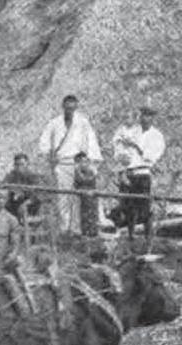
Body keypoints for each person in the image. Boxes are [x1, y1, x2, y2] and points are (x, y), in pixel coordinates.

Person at [37, 95, 102, 234]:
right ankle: (64, 228)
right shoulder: (54, 123)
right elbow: (44, 142)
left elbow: (91, 142)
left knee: (79, 198)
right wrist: (49, 155)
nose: (70, 111)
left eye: (72, 108)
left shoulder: (83, 123)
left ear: (76, 108)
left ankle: (77, 228)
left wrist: (91, 163)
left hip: (79, 163)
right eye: (67, 108)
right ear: (63, 107)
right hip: (62, 163)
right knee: (63, 197)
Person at [110, 106, 167, 240]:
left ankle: (148, 237)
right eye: (142, 115)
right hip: (129, 172)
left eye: (148, 116)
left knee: (144, 206)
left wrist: (136, 146)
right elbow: (119, 145)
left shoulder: (157, 136)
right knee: (128, 206)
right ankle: (131, 235)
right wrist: (120, 156)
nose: (145, 118)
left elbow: (151, 157)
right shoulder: (132, 131)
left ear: (152, 118)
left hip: (143, 172)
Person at [1, 153, 44, 221]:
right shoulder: (11, 175)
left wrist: (25, 204)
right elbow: (3, 187)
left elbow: (39, 195)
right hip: (13, 205)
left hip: (30, 206)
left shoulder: (33, 176)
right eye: (17, 165)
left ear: (27, 164)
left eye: (22, 164)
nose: (19, 167)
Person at [73, 151, 100, 239]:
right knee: (84, 213)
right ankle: (85, 232)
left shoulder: (91, 170)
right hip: (84, 194)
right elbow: (79, 182)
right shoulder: (78, 171)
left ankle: (93, 232)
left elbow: (93, 181)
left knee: (93, 213)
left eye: (85, 161)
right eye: (81, 162)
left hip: (92, 194)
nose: (84, 164)